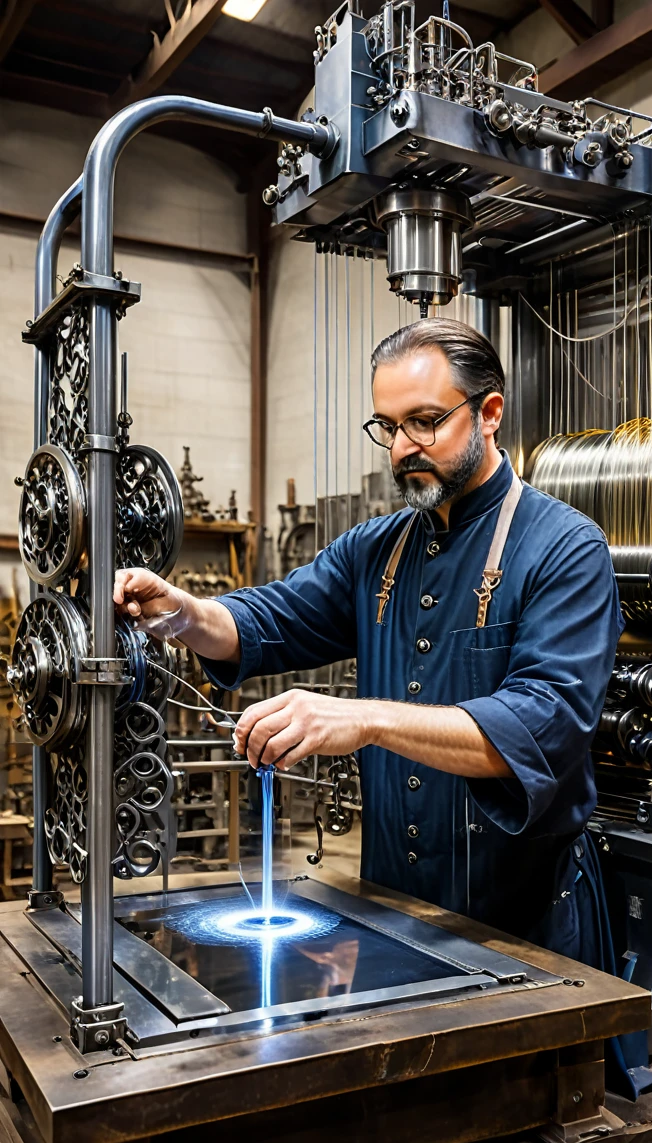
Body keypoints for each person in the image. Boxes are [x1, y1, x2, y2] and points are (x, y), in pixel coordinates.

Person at [114, 318, 624, 969]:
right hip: (394, 921)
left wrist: (367, 718)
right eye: (387, 426)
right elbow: (271, 619)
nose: (401, 448)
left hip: (524, 928)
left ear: (490, 412)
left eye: (425, 422)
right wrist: (184, 613)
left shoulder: (563, 548)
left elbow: (544, 722)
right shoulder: (376, 552)